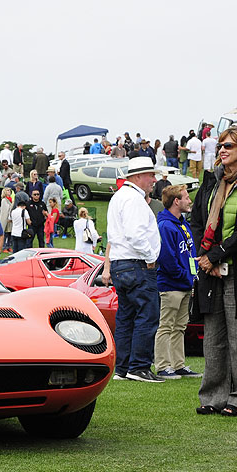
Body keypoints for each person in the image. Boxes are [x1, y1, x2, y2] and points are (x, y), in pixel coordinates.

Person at [189, 127, 237, 415]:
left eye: (228, 145)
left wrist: (218, 254)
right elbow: (197, 219)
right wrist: (205, 255)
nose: (221, 150)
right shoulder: (212, 181)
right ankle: (212, 397)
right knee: (214, 337)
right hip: (210, 269)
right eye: (220, 145)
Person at [104, 157, 162, 382]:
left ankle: (123, 367)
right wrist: (150, 257)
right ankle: (138, 367)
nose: (154, 180)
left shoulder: (120, 196)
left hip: (121, 263)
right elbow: (135, 234)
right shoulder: (134, 200)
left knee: (127, 316)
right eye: (151, 175)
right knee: (147, 315)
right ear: (138, 177)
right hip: (136, 263)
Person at [153, 185, 199, 380]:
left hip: (185, 283)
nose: (189, 201)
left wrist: (192, 277)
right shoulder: (165, 226)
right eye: (186, 197)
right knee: (166, 326)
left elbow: (188, 252)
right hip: (171, 285)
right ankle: (163, 366)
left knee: (180, 326)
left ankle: (178, 365)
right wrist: (184, 275)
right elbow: (167, 258)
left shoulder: (182, 224)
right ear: (176, 201)